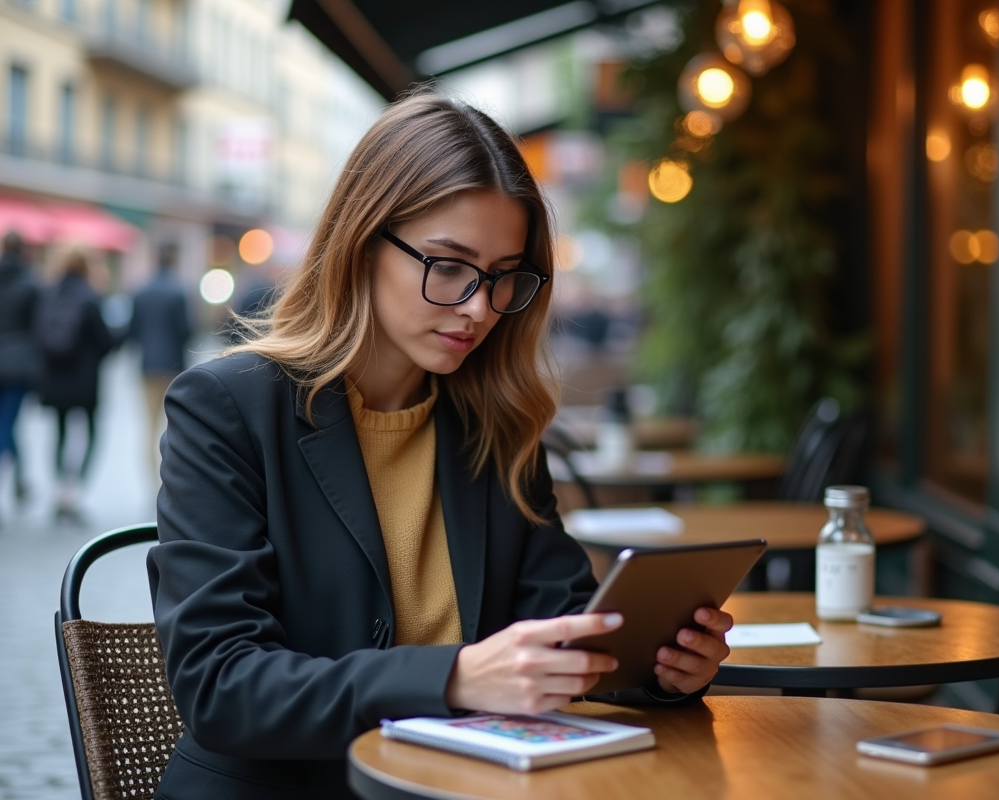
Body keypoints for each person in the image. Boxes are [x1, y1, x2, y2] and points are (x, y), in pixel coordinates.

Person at [146, 93, 734, 800]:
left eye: (503, 275)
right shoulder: (228, 407)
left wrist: (660, 669)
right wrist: (455, 677)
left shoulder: (494, 425)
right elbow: (219, 685)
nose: (479, 307)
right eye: (449, 266)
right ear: (363, 243)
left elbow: (563, 626)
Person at [35, 249, 114, 524]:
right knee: (90, 432)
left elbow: (37, 336)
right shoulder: (90, 297)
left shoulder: (49, 294)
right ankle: (74, 493)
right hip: (85, 379)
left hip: (55, 378)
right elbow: (105, 342)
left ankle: (59, 491)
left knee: (58, 433)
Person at [127, 242, 192, 480]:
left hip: (148, 366)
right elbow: (186, 332)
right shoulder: (179, 292)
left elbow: (132, 332)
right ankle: (172, 480)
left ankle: (151, 481)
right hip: (174, 367)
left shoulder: (141, 291)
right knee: (175, 425)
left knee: (149, 426)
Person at [0, 231, 39, 511]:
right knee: (8, 424)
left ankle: (19, 479)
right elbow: (38, 328)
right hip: (18, 364)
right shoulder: (29, 282)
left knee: (7, 425)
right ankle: (14, 482)